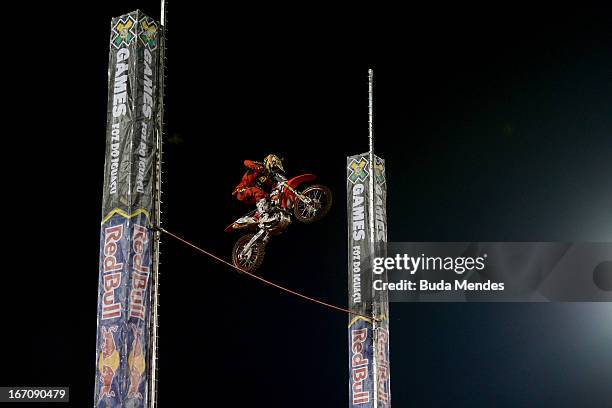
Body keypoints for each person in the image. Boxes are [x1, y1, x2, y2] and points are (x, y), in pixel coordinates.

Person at [232, 154, 285, 223]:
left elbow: (274, 187)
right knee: (258, 192)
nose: (274, 170)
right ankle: (263, 216)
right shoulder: (259, 167)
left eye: (276, 168)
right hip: (241, 191)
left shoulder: (268, 177)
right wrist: (257, 168)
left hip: (252, 196)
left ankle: (256, 218)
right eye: (274, 167)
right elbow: (246, 162)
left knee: (267, 198)